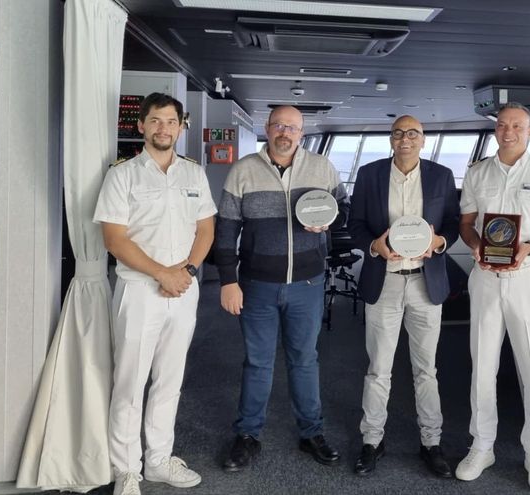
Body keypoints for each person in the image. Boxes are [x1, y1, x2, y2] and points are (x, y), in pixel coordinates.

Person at [94, 92, 216, 495]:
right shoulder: (123, 174)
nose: (164, 128)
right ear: (141, 126)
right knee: (130, 382)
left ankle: (159, 460)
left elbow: (205, 229)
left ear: (181, 127)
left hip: (183, 288)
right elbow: (114, 238)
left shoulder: (194, 174)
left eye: (171, 121)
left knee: (170, 379)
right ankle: (126, 469)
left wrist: (188, 272)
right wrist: (162, 273)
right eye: (156, 121)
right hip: (139, 289)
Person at [215, 105, 349, 472]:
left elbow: (343, 208)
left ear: (301, 132)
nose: (285, 132)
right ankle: (247, 435)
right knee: (257, 362)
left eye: (292, 127)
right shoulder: (243, 170)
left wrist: (329, 224)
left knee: (304, 361)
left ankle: (311, 433)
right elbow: (225, 230)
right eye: (278, 125)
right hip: (256, 284)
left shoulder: (321, 168)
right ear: (267, 128)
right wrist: (228, 280)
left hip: (307, 283)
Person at [456, 102, 530, 492]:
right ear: (495, 131)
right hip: (486, 276)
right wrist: (476, 245)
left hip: (527, 276)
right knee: (483, 365)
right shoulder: (478, 172)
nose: (509, 132)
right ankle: (483, 445)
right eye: (503, 125)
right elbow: (465, 224)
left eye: (517, 126)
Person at [346, 115, 460, 478]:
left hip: (426, 284)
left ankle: (431, 443)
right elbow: (355, 224)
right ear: (391, 139)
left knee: (427, 370)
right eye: (398, 133)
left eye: (413, 133)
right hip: (386, 281)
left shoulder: (441, 175)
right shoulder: (370, 174)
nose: (405, 139)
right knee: (379, 368)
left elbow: (454, 224)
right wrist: (375, 246)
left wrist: (440, 241)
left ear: (423, 140)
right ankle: (372, 440)